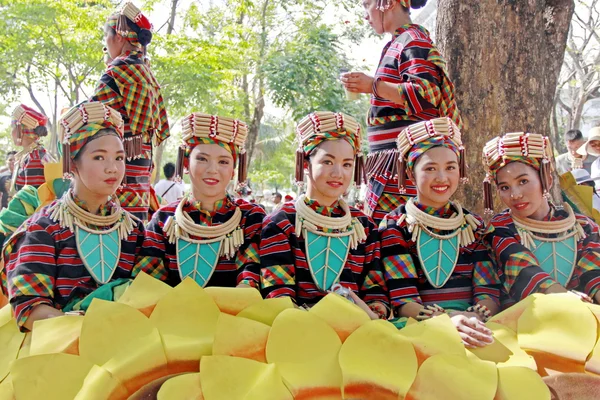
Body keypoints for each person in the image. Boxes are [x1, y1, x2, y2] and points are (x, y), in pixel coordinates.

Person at [1, 102, 145, 331]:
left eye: (119, 158)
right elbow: (30, 307)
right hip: (59, 352)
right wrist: (85, 329)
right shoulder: (44, 228)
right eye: (99, 157)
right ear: (72, 162)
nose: (113, 168)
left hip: (127, 349)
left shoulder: (134, 230)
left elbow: (149, 296)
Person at [250, 111, 389, 320]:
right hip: (300, 331)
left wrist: (375, 312)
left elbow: (375, 289)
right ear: (306, 164)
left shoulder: (364, 226)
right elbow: (278, 294)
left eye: (347, 164)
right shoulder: (281, 222)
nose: (338, 173)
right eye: (327, 162)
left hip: (362, 330)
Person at [379, 117, 498, 347]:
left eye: (450, 168)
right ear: (411, 174)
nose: (442, 178)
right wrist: (448, 321)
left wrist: (474, 317)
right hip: (422, 328)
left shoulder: (473, 226)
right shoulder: (395, 226)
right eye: (430, 168)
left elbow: (488, 290)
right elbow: (404, 300)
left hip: (477, 326)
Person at [341, 0, 462, 225]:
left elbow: (427, 95)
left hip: (400, 172)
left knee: (393, 237)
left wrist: (373, 86)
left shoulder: (413, 40)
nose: (365, 14)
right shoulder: (400, 42)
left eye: (367, 4)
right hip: (390, 169)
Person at [134, 113, 266, 288]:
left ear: (234, 171)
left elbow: (250, 278)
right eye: (202, 159)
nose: (212, 170)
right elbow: (147, 283)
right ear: (186, 164)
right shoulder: (164, 219)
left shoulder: (250, 217)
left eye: (223, 162)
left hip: (234, 312)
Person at [482, 132, 600, 308]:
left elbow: (593, 272)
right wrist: (565, 298)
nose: (515, 195)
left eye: (523, 181)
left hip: (584, 314)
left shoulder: (583, 226)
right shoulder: (500, 229)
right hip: (527, 321)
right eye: (505, 187)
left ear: (547, 180)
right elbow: (524, 270)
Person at [92, 1, 169, 221]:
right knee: (134, 233)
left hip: (114, 170)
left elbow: (89, 116)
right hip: (141, 175)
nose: (105, 45)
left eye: (106, 37)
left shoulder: (117, 71)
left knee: (109, 230)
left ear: (119, 37)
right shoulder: (146, 72)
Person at [9, 105, 54, 194]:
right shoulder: (31, 155)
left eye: (12, 128)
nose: (11, 133)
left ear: (20, 130)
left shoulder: (34, 159)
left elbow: (30, 202)